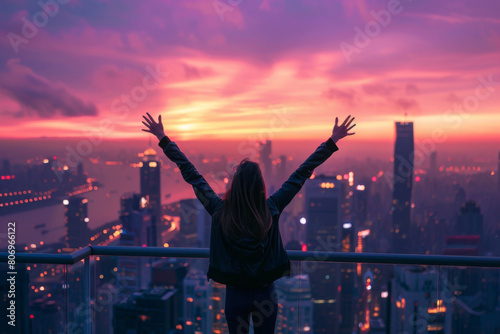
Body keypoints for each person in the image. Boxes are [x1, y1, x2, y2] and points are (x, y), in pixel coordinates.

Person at [141, 112, 356, 333]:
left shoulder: (220, 210)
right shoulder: (271, 208)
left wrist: (163, 139)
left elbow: (192, 175)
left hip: (235, 294)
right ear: (260, 185)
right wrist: (332, 141)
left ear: (236, 184)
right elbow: (301, 174)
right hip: (265, 294)